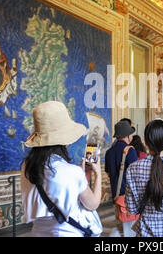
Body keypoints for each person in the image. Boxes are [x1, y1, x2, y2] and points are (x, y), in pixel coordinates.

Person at [20, 101, 102, 237]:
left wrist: (79, 174)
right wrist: (98, 174)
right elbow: (92, 204)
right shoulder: (72, 172)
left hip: (37, 233)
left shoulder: (27, 166)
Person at [105, 120, 138, 237]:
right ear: (128, 136)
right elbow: (136, 175)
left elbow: (108, 173)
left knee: (120, 221)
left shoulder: (109, 152)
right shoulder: (130, 151)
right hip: (128, 195)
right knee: (130, 228)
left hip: (116, 193)